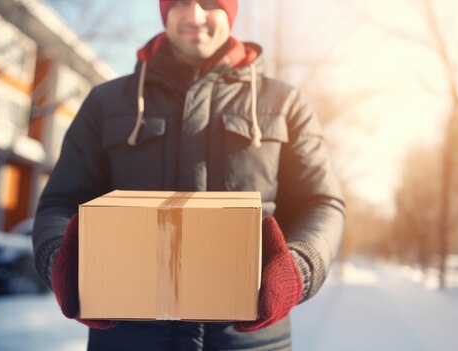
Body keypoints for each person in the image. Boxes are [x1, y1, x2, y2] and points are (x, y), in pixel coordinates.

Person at [32, 0, 345, 350]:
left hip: (249, 341)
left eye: (209, 3)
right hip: (127, 338)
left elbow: (322, 203)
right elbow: (60, 201)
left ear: (230, 11)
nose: (194, 15)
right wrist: (60, 260)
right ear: (165, 11)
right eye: (180, 2)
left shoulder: (285, 103)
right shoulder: (107, 102)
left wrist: (298, 269)